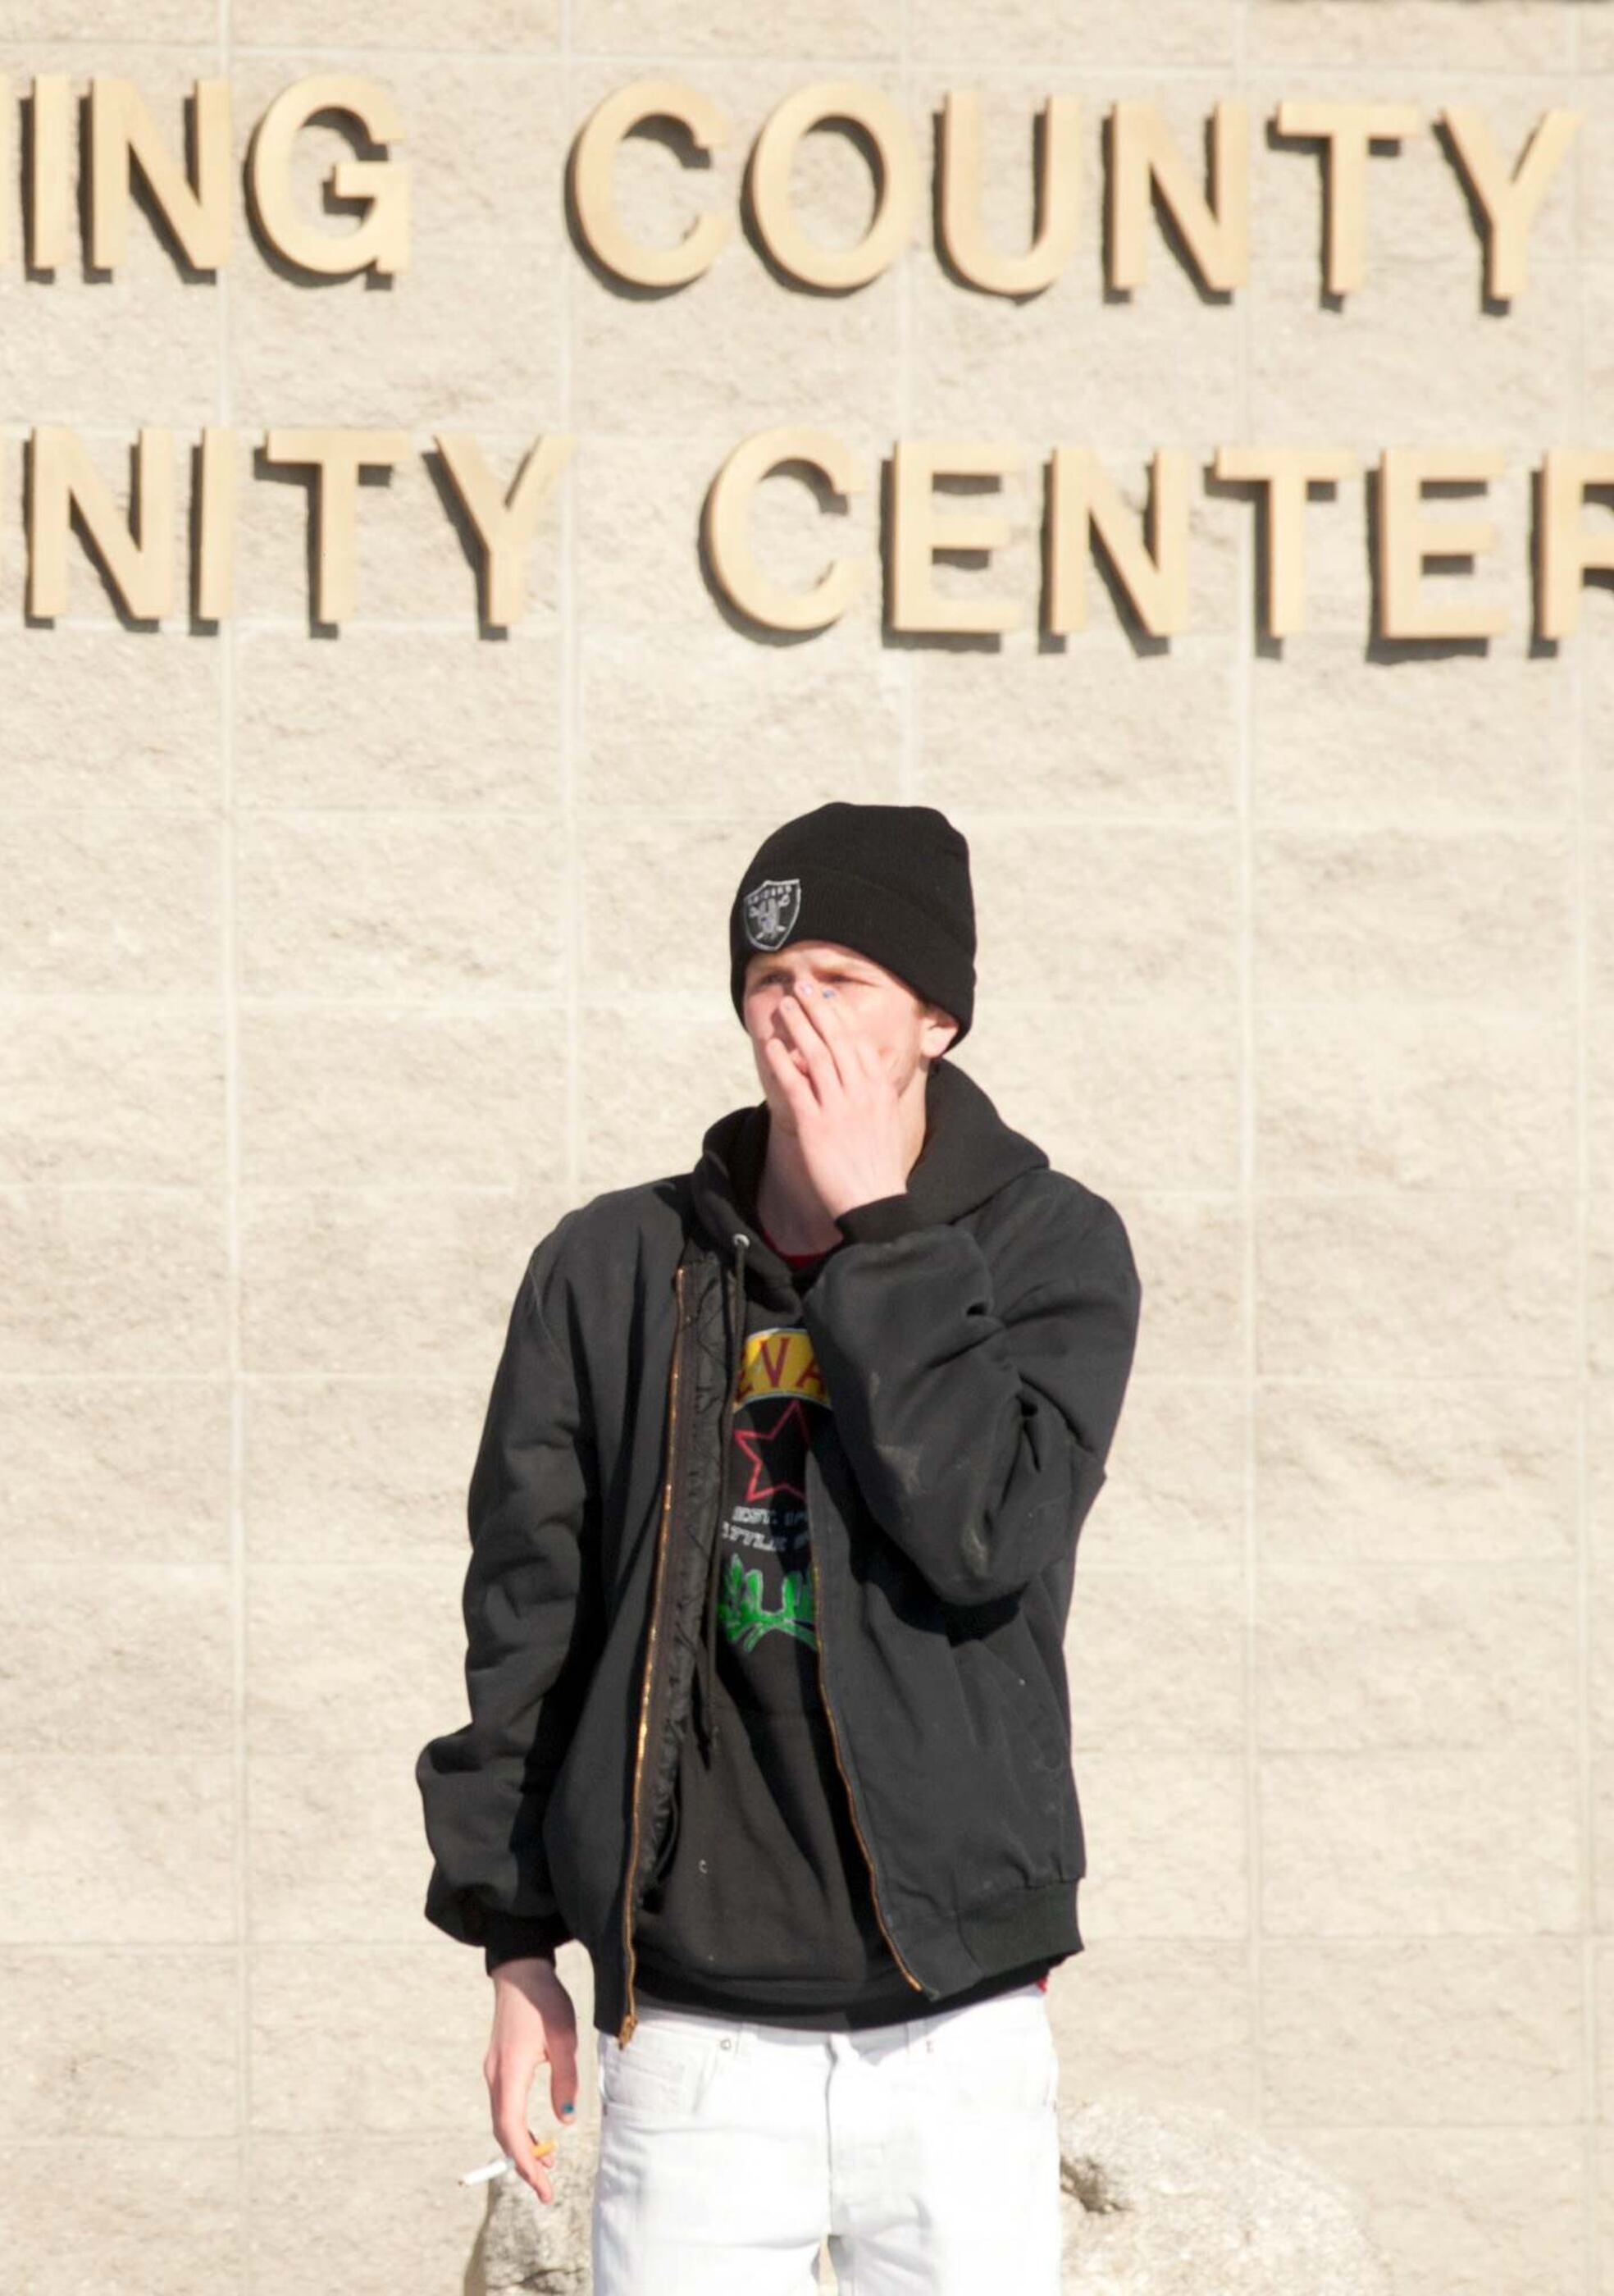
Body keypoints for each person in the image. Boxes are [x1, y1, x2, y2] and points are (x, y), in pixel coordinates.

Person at [413, 801, 1142, 2294]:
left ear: (936, 1016)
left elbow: (985, 1528)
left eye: (841, 979)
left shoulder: (1049, 1251)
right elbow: (525, 1614)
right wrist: (514, 1948)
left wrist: (884, 1228)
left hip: (956, 2022)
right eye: (769, 981)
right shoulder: (614, 1264)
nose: (795, 1013)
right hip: (694, 2031)